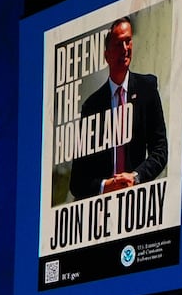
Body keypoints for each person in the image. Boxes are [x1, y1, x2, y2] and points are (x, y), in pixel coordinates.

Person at [68, 16, 169, 200]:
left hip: (137, 204)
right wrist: (106, 186)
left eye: (128, 41)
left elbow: (160, 151)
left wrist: (135, 177)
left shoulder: (147, 89)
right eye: (118, 44)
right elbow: (77, 181)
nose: (125, 49)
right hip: (102, 211)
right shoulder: (91, 107)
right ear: (106, 55)